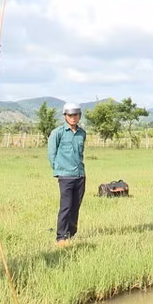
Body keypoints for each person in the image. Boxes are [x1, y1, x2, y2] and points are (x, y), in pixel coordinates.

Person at [47, 102, 87, 247]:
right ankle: (61, 236)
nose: (73, 118)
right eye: (70, 115)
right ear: (65, 116)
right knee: (66, 206)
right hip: (65, 176)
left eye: (75, 115)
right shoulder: (57, 133)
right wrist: (59, 170)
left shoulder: (82, 133)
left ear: (79, 115)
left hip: (80, 175)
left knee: (76, 206)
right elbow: (51, 154)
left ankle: (71, 233)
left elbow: (80, 154)